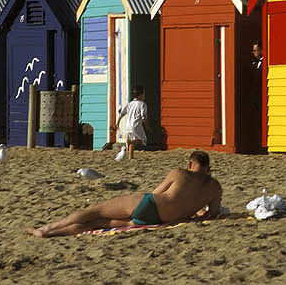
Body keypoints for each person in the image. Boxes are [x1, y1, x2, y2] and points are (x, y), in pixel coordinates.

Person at [26, 151, 222, 237]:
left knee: (93, 211)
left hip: (150, 205)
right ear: (208, 168)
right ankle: (55, 234)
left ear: (190, 164)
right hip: (160, 220)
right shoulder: (215, 187)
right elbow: (212, 214)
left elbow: (154, 193)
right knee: (95, 225)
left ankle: (48, 228)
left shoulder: (179, 173)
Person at [112, 85, 150, 159]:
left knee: (129, 141)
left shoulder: (130, 104)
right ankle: (132, 145)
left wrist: (117, 123)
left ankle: (131, 157)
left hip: (128, 125)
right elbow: (143, 117)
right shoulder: (143, 104)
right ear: (141, 95)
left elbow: (121, 114)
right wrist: (147, 126)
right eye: (144, 94)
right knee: (142, 140)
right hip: (136, 125)